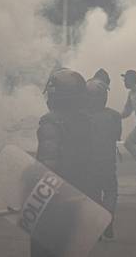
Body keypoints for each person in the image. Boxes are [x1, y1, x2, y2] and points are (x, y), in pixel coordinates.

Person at [33, 68, 97, 257]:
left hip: (55, 198)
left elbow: (48, 166)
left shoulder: (51, 122)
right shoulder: (87, 121)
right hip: (81, 193)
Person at [86, 69, 122, 241]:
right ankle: (107, 219)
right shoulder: (114, 116)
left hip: (88, 160)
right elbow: (117, 137)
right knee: (110, 190)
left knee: (93, 193)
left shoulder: (82, 117)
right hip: (107, 160)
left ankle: (96, 225)